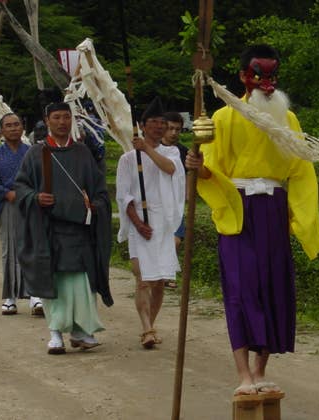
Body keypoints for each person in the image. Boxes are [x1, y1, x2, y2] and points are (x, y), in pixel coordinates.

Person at [185, 45, 319, 396]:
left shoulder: (288, 120)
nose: (266, 83)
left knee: (274, 286)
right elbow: (212, 168)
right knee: (241, 290)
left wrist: (301, 215)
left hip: (274, 210)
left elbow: (302, 170)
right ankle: (243, 374)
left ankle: (261, 370)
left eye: (272, 75)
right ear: (244, 76)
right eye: (258, 75)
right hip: (238, 209)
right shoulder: (221, 119)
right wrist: (200, 171)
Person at [14, 102, 113, 354]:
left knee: (82, 282)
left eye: (66, 117)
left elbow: (100, 192)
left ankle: (82, 332)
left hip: (80, 230)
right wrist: (36, 198)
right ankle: (55, 333)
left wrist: (95, 205)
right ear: (47, 120)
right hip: (49, 230)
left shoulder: (82, 153)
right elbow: (21, 187)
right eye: (56, 117)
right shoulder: (36, 153)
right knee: (53, 281)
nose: (62, 122)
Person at [116, 97, 185, 349]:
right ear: (143, 126)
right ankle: (146, 328)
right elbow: (124, 197)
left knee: (158, 280)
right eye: (153, 122)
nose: (158, 126)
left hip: (164, 222)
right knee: (143, 278)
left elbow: (169, 169)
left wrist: (147, 150)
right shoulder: (127, 159)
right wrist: (137, 223)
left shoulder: (171, 152)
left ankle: (151, 324)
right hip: (140, 223)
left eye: (161, 123)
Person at [0, 113, 43, 316]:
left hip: (30, 204)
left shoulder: (32, 152)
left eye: (17, 124)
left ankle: (35, 295)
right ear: (1, 130)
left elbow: (41, 177)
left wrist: (30, 194)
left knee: (32, 247)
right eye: (9, 125)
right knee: (10, 250)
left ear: (22, 128)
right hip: (7, 205)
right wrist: (6, 193)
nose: (14, 128)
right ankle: (10, 297)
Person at [161, 111, 189, 289]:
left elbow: (188, 176)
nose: (173, 133)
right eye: (170, 128)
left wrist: (187, 196)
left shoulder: (184, 152)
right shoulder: (153, 148)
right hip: (157, 202)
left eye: (177, 129)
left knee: (175, 239)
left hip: (175, 203)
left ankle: (168, 273)